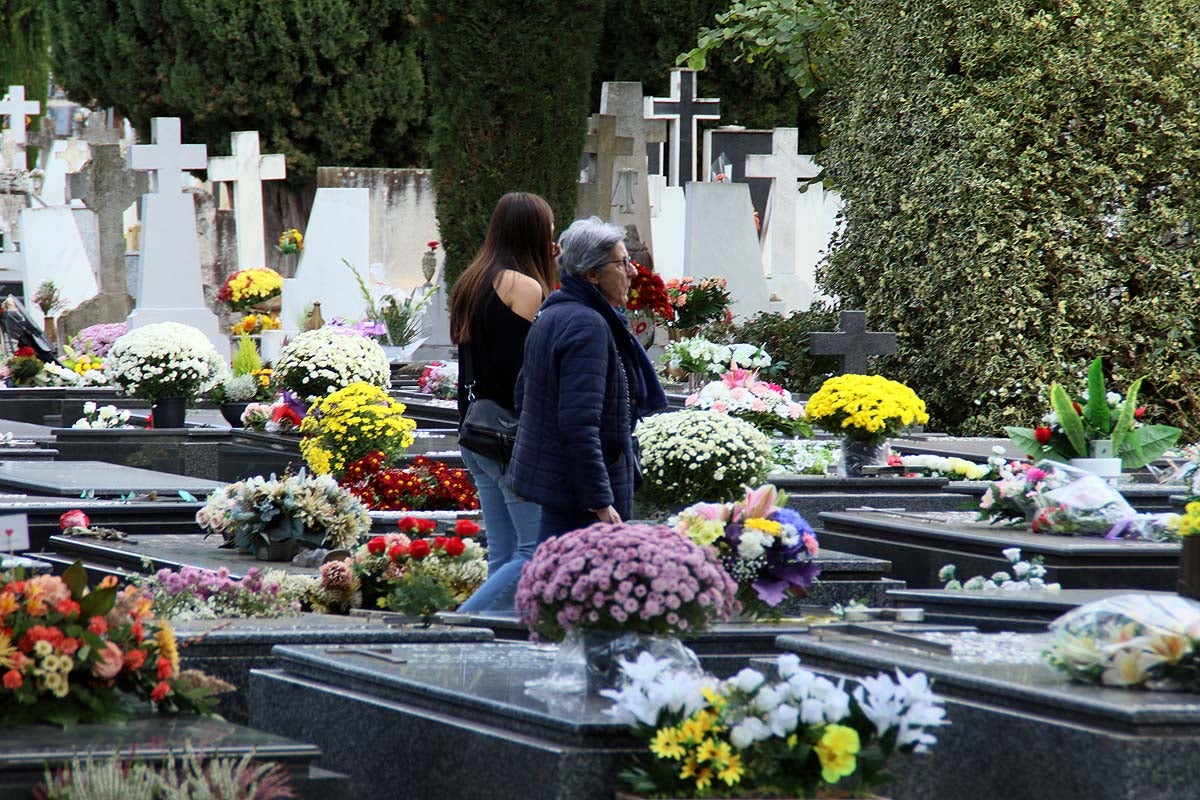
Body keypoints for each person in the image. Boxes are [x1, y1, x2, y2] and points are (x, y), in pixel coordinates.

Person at [508, 217, 668, 541]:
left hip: (561, 489)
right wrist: (600, 502)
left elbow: (523, 395)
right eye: (622, 263)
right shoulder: (588, 325)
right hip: (580, 502)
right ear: (592, 274)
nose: (634, 271)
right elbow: (579, 425)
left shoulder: (554, 312)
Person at [451, 192, 557, 613]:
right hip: (510, 438)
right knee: (532, 554)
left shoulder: (472, 280)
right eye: (547, 227)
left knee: (504, 555)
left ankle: (486, 644)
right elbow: (525, 375)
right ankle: (455, 630)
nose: (552, 236)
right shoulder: (524, 286)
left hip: (476, 433)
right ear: (531, 231)